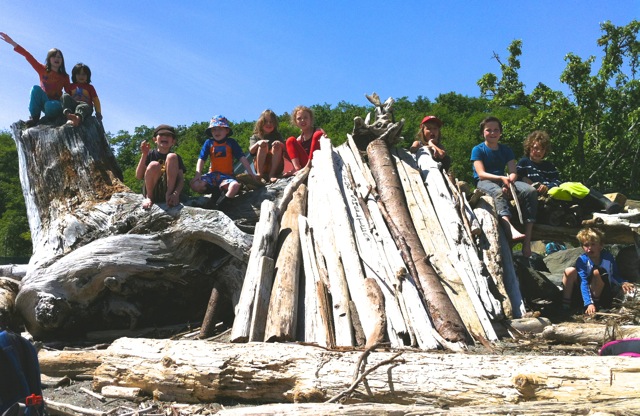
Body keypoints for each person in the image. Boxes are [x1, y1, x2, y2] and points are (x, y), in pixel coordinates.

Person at [470, 116, 538, 257]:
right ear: (483, 132)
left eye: (496, 130)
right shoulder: (478, 150)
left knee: (530, 191)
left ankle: (527, 240)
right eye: (489, 130)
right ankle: (509, 227)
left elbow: (513, 172)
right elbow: (481, 174)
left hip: (504, 179)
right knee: (498, 192)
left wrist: (509, 180)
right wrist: (502, 179)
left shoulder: (506, 150)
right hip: (485, 181)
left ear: (500, 132)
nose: (493, 133)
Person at [517, 130, 622, 214]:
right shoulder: (524, 162)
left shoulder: (548, 165)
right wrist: (531, 183)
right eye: (536, 148)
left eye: (542, 149)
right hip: (545, 197)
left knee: (570, 185)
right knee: (555, 191)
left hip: (554, 190)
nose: (538, 152)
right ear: (529, 147)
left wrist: (547, 186)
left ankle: (605, 202)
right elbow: (517, 179)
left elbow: (556, 180)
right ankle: (595, 204)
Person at [0, 32, 70, 126]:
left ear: (62, 60)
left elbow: (70, 92)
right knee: (35, 89)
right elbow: (28, 55)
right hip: (43, 101)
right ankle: (35, 118)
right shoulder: (42, 69)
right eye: (54, 56)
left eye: (59, 57)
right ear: (49, 59)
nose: (56, 58)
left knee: (50, 106)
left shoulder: (64, 76)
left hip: (55, 105)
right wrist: (12, 42)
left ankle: (51, 118)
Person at [562, 227, 634, 315]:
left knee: (597, 271)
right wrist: (588, 302)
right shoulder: (582, 260)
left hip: (603, 293)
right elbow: (583, 282)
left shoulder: (608, 258)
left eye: (593, 244)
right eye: (586, 245)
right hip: (586, 293)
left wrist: (623, 282)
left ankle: (596, 305)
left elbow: (614, 275)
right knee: (569, 271)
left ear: (601, 245)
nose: (589, 248)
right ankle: (566, 305)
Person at [190, 115, 257, 207]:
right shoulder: (209, 143)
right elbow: (201, 159)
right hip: (212, 175)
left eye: (220, 129)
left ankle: (223, 203)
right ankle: (215, 191)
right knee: (195, 184)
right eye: (214, 129)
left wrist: (250, 173)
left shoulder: (231, 142)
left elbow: (242, 158)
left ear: (227, 130)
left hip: (227, 176)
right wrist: (198, 174)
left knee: (235, 186)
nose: (217, 132)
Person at [135, 124, 185, 210]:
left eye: (168, 135)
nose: (165, 137)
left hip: (169, 192)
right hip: (152, 191)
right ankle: (149, 197)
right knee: (154, 164)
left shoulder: (176, 158)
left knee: (171, 156)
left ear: (173, 141)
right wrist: (144, 154)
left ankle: (169, 195)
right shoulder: (150, 154)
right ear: (155, 139)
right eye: (161, 135)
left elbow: (180, 179)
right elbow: (139, 176)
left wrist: (175, 194)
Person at [248, 109, 285, 182]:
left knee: (277, 146)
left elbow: (285, 149)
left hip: (276, 166)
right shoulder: (255, 137)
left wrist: (279, 143)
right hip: (262, 167)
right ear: (260, 123)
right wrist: (258, 143)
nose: (269, 124)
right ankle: (260, 174)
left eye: (271, 122)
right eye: (266, 121)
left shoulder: (277, 135)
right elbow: (251, 151)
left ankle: (272, 174)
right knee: (263, 145)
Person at [285, 105, 324, 173]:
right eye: (299, 118)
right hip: (305, 164)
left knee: (318, 134)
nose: (302, 120)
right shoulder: (299, 139)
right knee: (290, 140)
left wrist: (324, 138)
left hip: (318, 162)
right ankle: (297, 168)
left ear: (310, 119)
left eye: (305, 117)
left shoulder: (318, 130)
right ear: (295, 122)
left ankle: (308, 166)